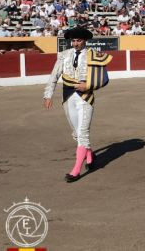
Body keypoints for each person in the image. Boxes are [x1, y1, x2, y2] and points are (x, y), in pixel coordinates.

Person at [43, 27, 112, 182]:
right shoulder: (63, 55)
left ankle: (76, 170)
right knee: (76, 133)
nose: (75, 44)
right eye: (73, 41)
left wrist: (87, 86)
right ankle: (90, 156)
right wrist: (48, 95)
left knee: (83, 132)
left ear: (85, 41)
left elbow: (104, 78)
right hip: (68, 97)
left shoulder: (93, 55)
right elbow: (54, 76)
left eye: (78, 40)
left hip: (85, 97)